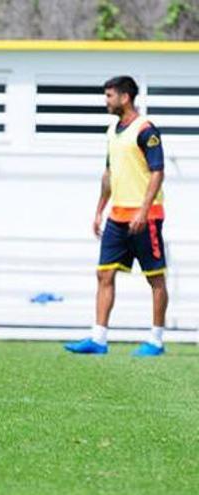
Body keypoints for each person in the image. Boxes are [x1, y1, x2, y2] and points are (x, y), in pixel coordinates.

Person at [65, 75, 167, 357]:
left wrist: (144, 211)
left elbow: (157, 172)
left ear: (125, 97)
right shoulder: (112, 132)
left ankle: (156, 341)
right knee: (104, 274)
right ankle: (98, 339)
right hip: (117, 217)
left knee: (155, 278)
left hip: (146, 217)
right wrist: (99, 210)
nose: (106, 102)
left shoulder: (146, 130)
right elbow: (109, 174)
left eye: (109, 96)